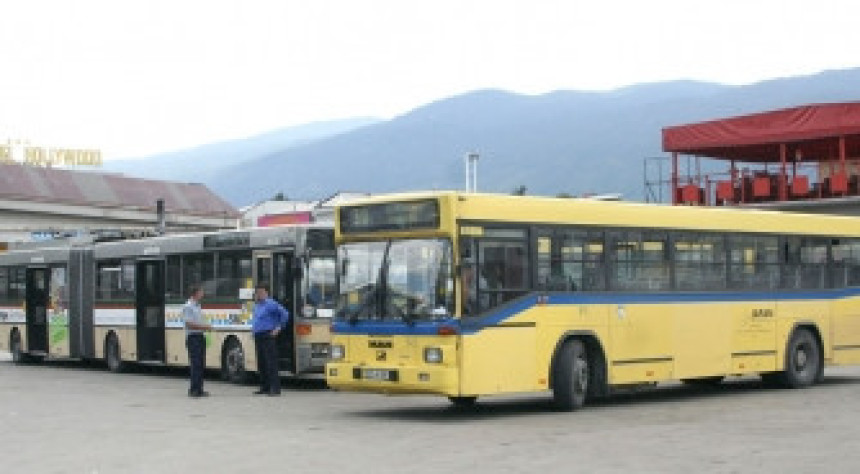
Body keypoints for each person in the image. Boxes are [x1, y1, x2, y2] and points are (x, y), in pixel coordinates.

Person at [251, 284, 290, 396]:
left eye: (261, 292)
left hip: (268, 335)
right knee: (261, 362)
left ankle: (275, 389)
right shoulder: (257, 305)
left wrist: (278, 327)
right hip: (258, 336)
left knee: (270, 363)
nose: (259, 294)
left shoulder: (271, 304)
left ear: (266, 293)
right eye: (257, 292)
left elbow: (285, 314)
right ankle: (265, 387)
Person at [182, 285, 212, 398]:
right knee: (195, 364)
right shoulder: (188, 306)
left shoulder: (197, 306)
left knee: (201, 363)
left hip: (200, 336)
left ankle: (199, 389)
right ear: (195, 293)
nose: (202, 294)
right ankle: (194, 389)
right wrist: (203, 327)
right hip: (193, 337)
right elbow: (188, 323)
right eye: (201, 292)